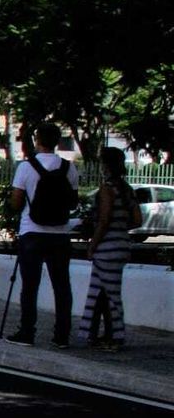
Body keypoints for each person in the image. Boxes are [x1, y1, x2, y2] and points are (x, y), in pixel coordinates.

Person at [7, 122, 80, 347]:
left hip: (33, 231)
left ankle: (27, 331)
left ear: (37, 140)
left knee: (30, 285)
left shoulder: (26, 167)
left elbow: (17, 201)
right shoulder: (69, 168)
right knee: (62, 286)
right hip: (60, 233)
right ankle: (62, 336)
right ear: (58, 141)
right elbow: (73, 201)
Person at [76, 147, 141, 350]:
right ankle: (97, 334)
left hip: (106, 248)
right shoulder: (127, 188)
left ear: (106, 165)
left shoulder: (107, 189)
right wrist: (121, 227)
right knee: (102, 292)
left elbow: (103, 220)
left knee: (108, 295)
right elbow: (138, 219)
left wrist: (92, 245)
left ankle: (115, 336)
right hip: (121, 244)